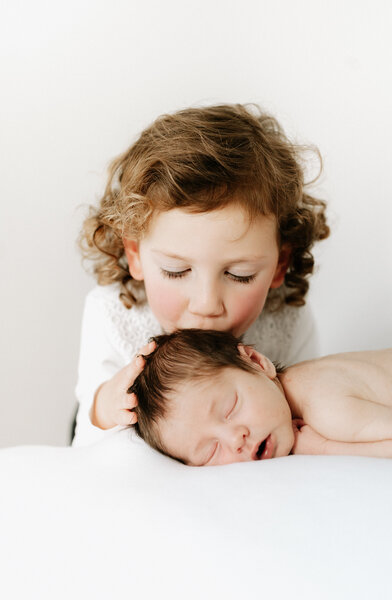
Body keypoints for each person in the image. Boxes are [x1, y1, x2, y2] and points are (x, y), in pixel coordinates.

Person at [73, 103, 329, 446]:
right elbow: (84, 442)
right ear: (134, 254)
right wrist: (107, 406)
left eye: (240, 275)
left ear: (280, 265)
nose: (207, 304)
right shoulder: (114, 315)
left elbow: (308, 413)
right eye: (176, 271)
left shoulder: (286, 318)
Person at [128, 329, 392, 465]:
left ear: (258, 363)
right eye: (210, 452)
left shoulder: (324, 404)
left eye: (230, 408)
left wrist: (324, 449)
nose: (235, 439)